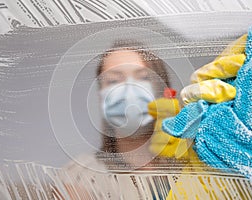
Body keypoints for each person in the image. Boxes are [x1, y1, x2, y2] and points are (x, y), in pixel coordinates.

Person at [55, 40, 182, 199]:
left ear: (163, 90)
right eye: (114, 81)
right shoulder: (81, 178)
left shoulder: (194, 167)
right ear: (101, 98)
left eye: (142, 78)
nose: (129, 90)